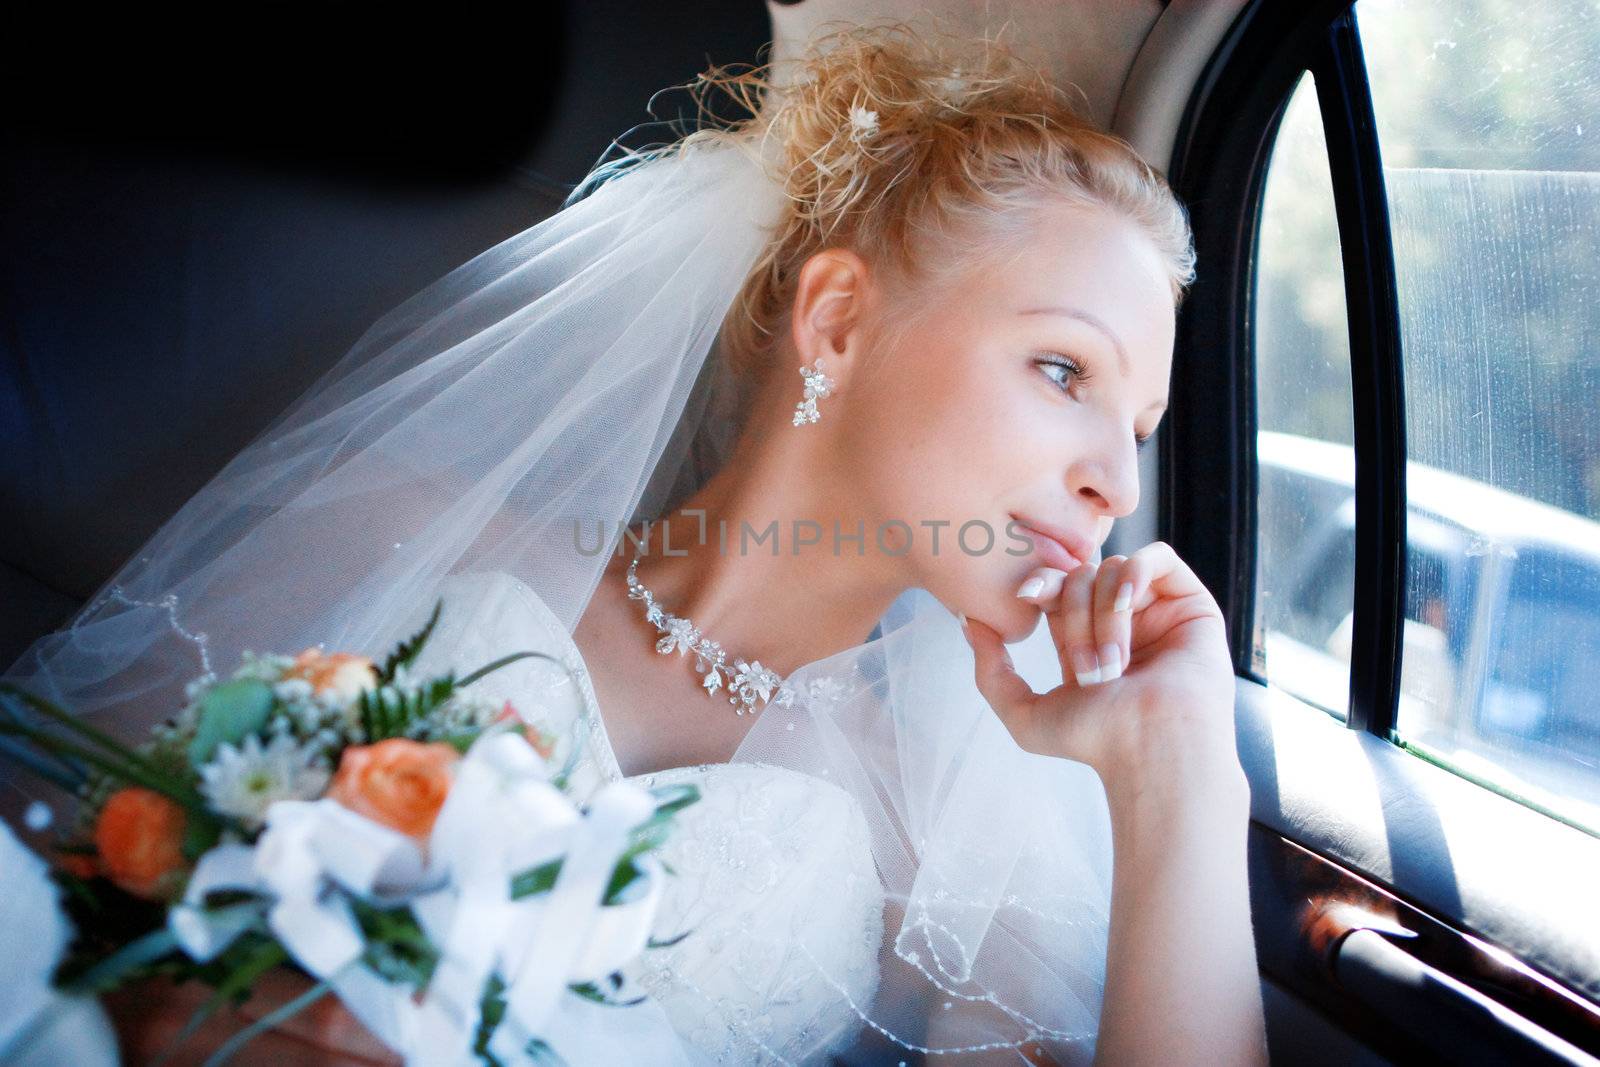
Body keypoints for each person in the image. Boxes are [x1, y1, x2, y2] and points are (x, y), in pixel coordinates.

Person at [2, 21, 1268, 1065]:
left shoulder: (943, 845)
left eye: (1143, 426)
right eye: (1063, 369)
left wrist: (1182, 784)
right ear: (834, 320)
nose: (1116, 479)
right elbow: (40, 887)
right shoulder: (393, 531)